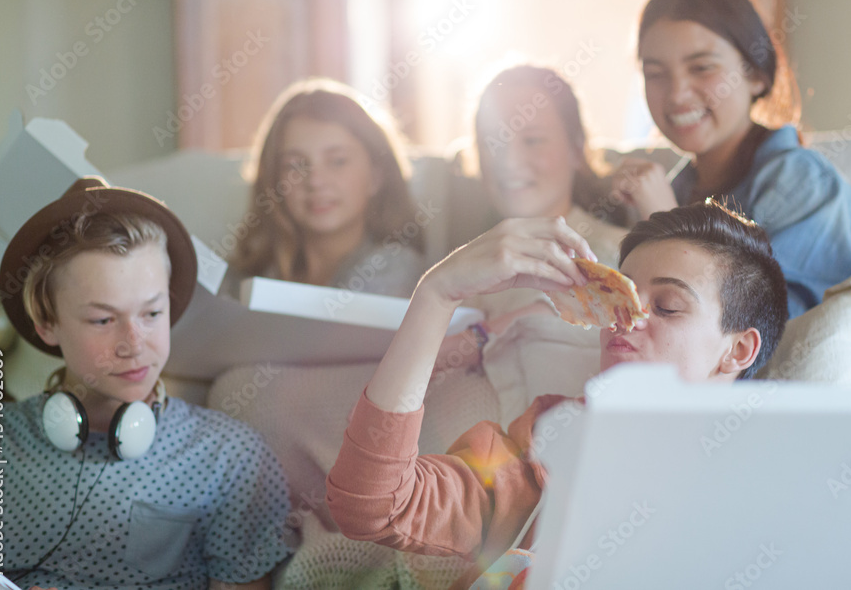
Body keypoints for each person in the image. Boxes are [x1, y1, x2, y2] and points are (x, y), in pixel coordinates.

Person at [326, 200, 789, 588]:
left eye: (667, 306)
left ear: (738, 350)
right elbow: (373, 505)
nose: (626, 319)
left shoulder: (772, 484)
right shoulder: (540, 449)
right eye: (620, 297)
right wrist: (437, 295)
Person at [0, 177, 291, 589]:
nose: (133, 345)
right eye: (103, 320)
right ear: (46, 322)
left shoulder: (228, 459)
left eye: (152, 314)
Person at [614, 0, 851, 318]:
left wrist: (663, 222)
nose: (676, 95)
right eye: (656, 73)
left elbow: (761, 338)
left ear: (754, 74)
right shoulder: (680, 185)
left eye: (702, 67)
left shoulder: (801, 181)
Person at [434, 65, 628, 380]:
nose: (508, 161)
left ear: (576, 149)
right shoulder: (462, 261)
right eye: (493, 142)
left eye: (533, 140)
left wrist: (471, 341)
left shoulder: (621, 250)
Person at [225, 78, 424, 299]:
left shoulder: (394, 269)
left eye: (338, 161)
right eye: (295, 165)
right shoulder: (248, 274)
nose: (315, 181)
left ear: (376, 177)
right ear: (274, 180)